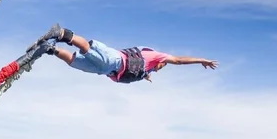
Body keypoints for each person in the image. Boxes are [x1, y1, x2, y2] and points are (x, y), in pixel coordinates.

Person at [26, 24, 218, 83]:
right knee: (86, 48)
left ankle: (49, 49)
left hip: (107, 70)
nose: (159, 70)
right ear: (161, 62)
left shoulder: (147, 67)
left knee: (74, 62)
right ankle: (60, 33)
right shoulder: (156, 57)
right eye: (161, 67)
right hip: (116, 62)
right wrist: (201, 60)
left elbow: (142, 71)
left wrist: (146, 76)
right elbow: (179, 60)